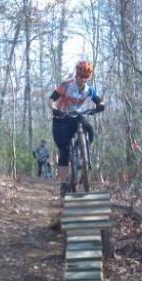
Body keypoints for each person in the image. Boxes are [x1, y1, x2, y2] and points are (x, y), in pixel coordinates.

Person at [49, 60, 105, 195]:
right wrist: (54, 108)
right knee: (64, 151)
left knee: (89, 129)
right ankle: (63, 183)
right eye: (81, 76)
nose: (83, 80)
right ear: (77, 74)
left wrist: (101, 105)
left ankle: (83, 152)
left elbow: (98, 100)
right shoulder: (67, 85)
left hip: (76, 116)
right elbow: (51, 100)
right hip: (61, 118)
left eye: (86, 77)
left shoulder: (89, 89)